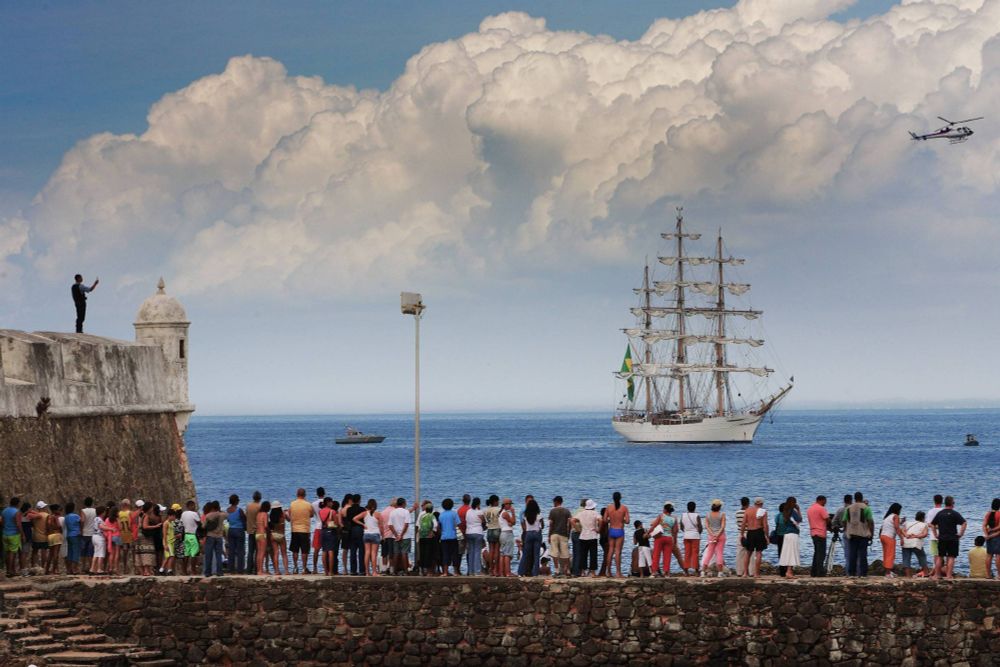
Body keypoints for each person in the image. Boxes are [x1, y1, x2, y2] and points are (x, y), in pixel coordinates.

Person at [930, 496, 966, 580]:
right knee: (951, 557)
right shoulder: (954, 513)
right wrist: (961, 534)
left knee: (940, 556)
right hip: (953, 538)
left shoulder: (940, 513)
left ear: (945, 503)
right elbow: (964, 523)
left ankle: (937, 575)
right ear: (952, 504)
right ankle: (949, 575)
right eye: (954, 503)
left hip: (942, 537)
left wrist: (935, 534)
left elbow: (932, 524)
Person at [844, 492, 873, 577]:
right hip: (863, 534)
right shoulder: (866, 508)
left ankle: (852, 573)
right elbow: (870, 521)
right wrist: (871, 533)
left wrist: (847, 529)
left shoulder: (848, 508)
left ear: (854, 498)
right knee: (863, 554)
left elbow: (844, 520)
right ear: (862, 497)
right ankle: (863, 573)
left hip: (852, 534)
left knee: (852, 554)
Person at [603, 492, 630, 579]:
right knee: (618, 551)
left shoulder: (609, 507)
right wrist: (622, 520)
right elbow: (628, 521)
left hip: (611, 530)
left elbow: (604, 519)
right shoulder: (624, 508)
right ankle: (618, 573)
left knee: (610, 550)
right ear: (620, 498)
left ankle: (609, 572)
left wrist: (611, 521)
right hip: (619, 530)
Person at [647, 503, 678, 577]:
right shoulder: (674, 519)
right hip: (669, 538)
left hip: (660, 537)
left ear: (665, 509)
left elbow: (654, 526)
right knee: (667, 556)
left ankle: (654, 572)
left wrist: (648, 533)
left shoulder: (661, 516)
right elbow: (675, 531)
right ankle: (666, 573)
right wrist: (675, 541)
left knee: (656, 555)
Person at [741, 498, 769, 578]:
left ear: (754, 503)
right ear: (761, 503)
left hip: (750, 532)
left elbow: (743, 524)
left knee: (748, 553)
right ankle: (756, 574)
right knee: (759, 552)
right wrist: (767, 536)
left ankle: (745, 573)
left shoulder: (748, 510)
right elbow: (765, 525)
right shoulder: (763, 512)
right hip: (759, 532)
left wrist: (741, 534)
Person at [289, 488, 314, 575]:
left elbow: (289, 514)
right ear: (305, 495)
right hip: (305, 530)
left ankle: (295, 567)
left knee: (295, 550)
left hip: (294, 530)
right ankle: (304, 568)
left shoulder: (292, 504)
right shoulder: (308, 504)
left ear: (297, 494)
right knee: (304, 551)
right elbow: (311, 514)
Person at [574, 499, 601, 578]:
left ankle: (583, 572)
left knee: (583, 554)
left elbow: (572, 520)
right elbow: (601, 520)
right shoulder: (595, 513)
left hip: (583, 535)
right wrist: (598, 529)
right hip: (592, 535)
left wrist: (577, 529)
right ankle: (592, 572)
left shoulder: (581, 513)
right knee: (593, 554)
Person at [356, 499, 383, 576]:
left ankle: (367, 572)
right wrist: (383, 536)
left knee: (367, 553)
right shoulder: (378, 514)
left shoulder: (364, 513)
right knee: (373, 553)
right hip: (375, 534)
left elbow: (354, 519)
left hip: (366, 534)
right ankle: (374, 572)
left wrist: (363, 524)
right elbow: (381, 526)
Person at [776, 498, 802, 578]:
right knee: (792, 553)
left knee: (788, 553)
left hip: (786, 534)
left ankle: (788, 571)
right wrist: (798, 509)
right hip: (792, 534)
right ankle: (789, 572)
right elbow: (800, 519)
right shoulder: (792, 511)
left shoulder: (785, 512)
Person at [701, 500, 726, 577]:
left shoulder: (708, 515)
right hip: (721, 536)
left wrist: (712, 534)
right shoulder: (722, 514)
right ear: (720, 507)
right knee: (719, 553)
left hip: (711, 536)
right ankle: (720, 572)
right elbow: (722, 526)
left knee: (709, 553)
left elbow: (707, 526)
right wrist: (717, 535)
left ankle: (702, 572)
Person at [548, 496, 572, 577]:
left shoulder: (552, 511)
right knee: (566, 553)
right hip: (564, 534)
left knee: (555, 553)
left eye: (554, 502)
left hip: (554, 534)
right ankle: (567, 570)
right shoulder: (567, 511)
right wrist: (569, 533)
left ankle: (557, 570)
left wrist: (549, 535)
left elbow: (551, 524)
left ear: (556, 502)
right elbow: (570, 523)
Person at [806, 495, 829, 577]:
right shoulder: (821, 508)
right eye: (825, 501)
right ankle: (820, 572)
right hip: (821, 533)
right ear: (822, 500)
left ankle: (814, 572)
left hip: (813, 532)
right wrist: (831, 526)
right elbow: (827, 519)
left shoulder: (810, 509)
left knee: (816, 553)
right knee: (821, 554)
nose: (825, 503)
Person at [901, 511, 929, 577]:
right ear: (923, 518)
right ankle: (926, 573)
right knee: (922, 557)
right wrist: (916, 536)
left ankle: (908, 576)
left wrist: (906, 535)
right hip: (916, 543)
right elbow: (925, 534)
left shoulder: (908, 523)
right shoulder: (924, 524)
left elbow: (902, 530)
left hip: (906, 542)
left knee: (906, 559)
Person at [520, 499, 544, 577]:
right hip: (537, 534)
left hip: (528, 534)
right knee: (536, 555)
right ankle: (535, 573)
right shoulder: (539, 515)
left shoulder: (525, 516)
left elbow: (524, 526)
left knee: (526, 554)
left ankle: (521, 571)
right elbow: (542, 526)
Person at [202, 501, 226, 577]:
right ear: (218, 507)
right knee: (219, 555)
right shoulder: (222, 515)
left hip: (210, 536)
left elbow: (203, 526)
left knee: (209, 555)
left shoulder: (208, 515)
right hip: (219, 537)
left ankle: (208, 572)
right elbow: (227, 515)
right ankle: (219, 572)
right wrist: (220, 511)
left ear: (212, 507)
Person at [2, 497, 24, 577]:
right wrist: (22, 534)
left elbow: (2, 523)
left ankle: (9, 570)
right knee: (12, 553)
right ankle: (10, 571)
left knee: (7, 553)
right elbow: (18, 524)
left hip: (5, 534)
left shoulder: (4, 511)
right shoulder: (17, 512)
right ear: (17, 503)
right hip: (14, 534)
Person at [387, 498, 410, 574]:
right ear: (403, 503)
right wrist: (401, 535)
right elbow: (406, 524)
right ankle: (406, 571)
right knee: (404, 553)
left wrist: (397, 535)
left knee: (396, 553)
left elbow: (390, 525)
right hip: (405, 536)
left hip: (395, 537)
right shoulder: (406, 512)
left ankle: (394, 571)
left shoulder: (393, 512)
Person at [438, 498, 460, 576]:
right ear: (452, 505)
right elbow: (458, 524)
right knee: (454, 554)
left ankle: (445, 572)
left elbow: (439, 526)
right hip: (453, 536)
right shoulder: (454, 514)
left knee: (445, 554)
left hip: (444, 537)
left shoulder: (441, 515)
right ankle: (456, 572)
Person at [680, 501, 702, 576]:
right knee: (695, 554)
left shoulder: (683, 515)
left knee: (687, 553)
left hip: (686, 536)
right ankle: (696, 571)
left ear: (687, 507)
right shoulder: (697, 516)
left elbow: (681, 527)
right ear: (695, 508)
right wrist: (697, 532)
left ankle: (686, 571)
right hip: (695, 536)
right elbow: (700, 528)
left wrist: (686, 531)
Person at [226, 494, 247, 574]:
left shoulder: (228, 510)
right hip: (239, 530)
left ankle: (231, 569)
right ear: (236, 501)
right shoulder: (239, 510)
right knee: (240, 551)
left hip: (231, 530)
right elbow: (244, 519)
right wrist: (246, 528)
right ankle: (240, 569)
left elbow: (228, 520)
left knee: (231, 551)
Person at [318, 498, 339, 576]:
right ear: (328, 503)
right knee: (330, 551)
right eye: (331, 502)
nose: (332, 503)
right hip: (330, 531)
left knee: (324, 551)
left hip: (322, 531)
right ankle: (330, 571)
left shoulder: (320, 511)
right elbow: (336, 523)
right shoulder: (332, 511)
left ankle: (325, 571)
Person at [464, 498, 485, 576]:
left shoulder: (468, 511)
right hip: (478, 532)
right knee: (477, 552)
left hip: (469, 532)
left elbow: (467, 520)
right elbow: (483, 521)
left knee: (471, 552)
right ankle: (477, 571)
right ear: (478, 504)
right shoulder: (480, 512)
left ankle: (470, 571)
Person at [880, 503, 902, 578]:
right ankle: (888, 574)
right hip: (889, 537)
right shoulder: (896, 516)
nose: (900, 511)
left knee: (886, 554)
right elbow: (896, 527)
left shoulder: (887, 517)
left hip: (883, 536)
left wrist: (900, 522)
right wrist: (901, 538)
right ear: (897, 510)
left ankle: (888, 572)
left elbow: (886, 526)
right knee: (890, 555)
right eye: (900, 510)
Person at [925, 494, 944, 578]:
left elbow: (929, 524)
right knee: (943, 555)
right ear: (942, 501)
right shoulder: (944, 510)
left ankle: (936, 572)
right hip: (943, 535)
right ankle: (939, 572)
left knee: (935, 556)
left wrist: (935, 527)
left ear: (934, 501)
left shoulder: (930, 511)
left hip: (933, 536)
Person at [980, 498, 1000, 579]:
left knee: (989, 555)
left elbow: (984, 525)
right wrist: (993, 530)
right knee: (998, 556)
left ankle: (988, 575)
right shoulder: (999, 514)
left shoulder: (988, 514)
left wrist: (987, 534)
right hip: (997, 536)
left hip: (989, 536)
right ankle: (999, 575)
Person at [180, 501, 200, 575]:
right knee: (194, 553)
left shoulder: (183, 514)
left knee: (186, 553)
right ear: (190, 506)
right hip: (193, 535)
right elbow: (199, 523)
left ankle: (184, 571)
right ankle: (193, 570)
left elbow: (182, 523)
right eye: (193, 506)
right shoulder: (194, 514)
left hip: (186, 535)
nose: (194, 507)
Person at [345, 494, 364, 575]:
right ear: (359, 500)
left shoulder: (348, 510)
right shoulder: (362, 509)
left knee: (353, 551)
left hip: (351, 530)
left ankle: (353, 570)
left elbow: (348, 520)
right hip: (360, 530)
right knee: (361, 551)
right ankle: (362, 570)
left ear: (352, 500)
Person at [268, 502, 289, 575]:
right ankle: (286, 571)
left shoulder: (271, 516)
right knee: (284, 554)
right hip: (281, 535)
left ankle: (276, 571)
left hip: (273, 535)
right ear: (280, 507)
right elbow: (289, 519)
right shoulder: (283, 514)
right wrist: (287, 512)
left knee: (276, 553)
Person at [483, 495, 501, 576]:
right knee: (497, 550)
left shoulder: (486, 510)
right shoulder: (498, 509)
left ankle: (490, 569)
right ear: (495, 501)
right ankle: (495, 569)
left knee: (491, 551)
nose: (498, 502)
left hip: (489, 530)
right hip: (497, 529)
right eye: (497, 501)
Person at [498, 499, 516, 577]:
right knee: (507, 554)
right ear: (505, 504)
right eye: (509, 504)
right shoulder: (505, 513)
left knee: (502, 554)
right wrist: (513, 513)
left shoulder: (501, 513)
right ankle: (508, 572)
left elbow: (510, 523)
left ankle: (502, 572)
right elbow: (513, 522)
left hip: (503, 533)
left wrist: (510, 522)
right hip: (507, 533)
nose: (511, 506)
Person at [63, 502, 82, 575]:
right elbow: (81, 521)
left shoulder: (66, 517)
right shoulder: (75, 516)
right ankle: (75, 569)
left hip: (69, 535)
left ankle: (69, 569)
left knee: (70, 552)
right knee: (75, 552)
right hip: (75, 534)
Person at [80, 497, 97, 574]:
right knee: (91, 551)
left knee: (83, 551)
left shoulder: (83, 511)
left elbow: (82, 520)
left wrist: (81, 529)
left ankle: (83, 567)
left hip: (85, 533)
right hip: (93, 533)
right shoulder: (95, 511)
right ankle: (91, 567)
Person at [246, 491, 262, 576]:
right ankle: (256, 569)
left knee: (250, 551)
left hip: (250, 530)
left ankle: (248, 569)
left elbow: (246, 516)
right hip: (258, 530)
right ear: (259, 498)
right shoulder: (259, 506)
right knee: (258, 551)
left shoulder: (248, 506)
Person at [90, 506, 109, 575]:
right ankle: (99, 569)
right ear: (102, 513)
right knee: (101, 553)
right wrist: (110, 528)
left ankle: (92, 569)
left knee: (96, 553)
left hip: (94, 536)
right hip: (99, 537)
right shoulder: (100, 520)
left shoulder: (95, 519)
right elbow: (101, 527)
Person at [45, 505, 63, 574]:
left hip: (50, 535)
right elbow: (58, 525)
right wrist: (61, 530)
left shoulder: (48, 517)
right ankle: (54, 570)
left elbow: (47, 526)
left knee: (50, 554)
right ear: (55, 510)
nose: (59, 511)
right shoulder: (55, 517)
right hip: (56, 534)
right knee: (56, 554)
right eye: (58, 510)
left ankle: (46, 570)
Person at [311, 487, 326, 575]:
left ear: (317, 494)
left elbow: (312, 515)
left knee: (316, 549)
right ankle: (326, 568)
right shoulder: (327, 502)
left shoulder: (313, 504)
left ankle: (315, 568)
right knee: (326, 549)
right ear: (324, 493)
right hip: (325, 527)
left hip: (317, 527)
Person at [734, 497, 750, 577]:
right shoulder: (750, 512)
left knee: (740, 553)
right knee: (750, 552)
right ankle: (751, 571)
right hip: (749, 533)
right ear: (748, 503)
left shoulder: (737, 513)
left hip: (740, 533)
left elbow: (738, 523)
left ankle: (739, 572)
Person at [255, 501, 271, 575]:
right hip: (262, 534)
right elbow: (265, 525)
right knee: (262, 553)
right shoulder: (265, 514)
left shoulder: (258, 514)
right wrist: (269, 531)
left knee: (258, 553)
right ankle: (261, 570)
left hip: (257, 534)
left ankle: (259, 570)